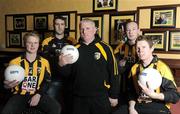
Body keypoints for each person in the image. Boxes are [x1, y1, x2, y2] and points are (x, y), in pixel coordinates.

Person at [58, 18, 119, 114]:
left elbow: (114, 72)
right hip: (78, 98)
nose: (84, 31)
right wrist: (61, 65)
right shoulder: (73, 49)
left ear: (95, 30)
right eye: (82, 29)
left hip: (101, 97)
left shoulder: (106, 48)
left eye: (88, 28)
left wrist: (114, 95)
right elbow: (67, 75)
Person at [113, 35, 180, 114]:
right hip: (138, 104)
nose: (140, 51)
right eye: (138, 48)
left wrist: (154, 95)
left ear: (152, 49)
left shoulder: (162, 68)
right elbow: (131, 92)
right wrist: (131, 108)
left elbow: (175, 96)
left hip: (158, 106)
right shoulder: (134, 68)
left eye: (144, 47)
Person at [1, 32, 61, 114]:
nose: (32, 45)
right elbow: (6, 83)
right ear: (25, 44)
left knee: (56, 108)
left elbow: (47, 81)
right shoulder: (14, 63)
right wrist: (6, 86)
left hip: (37, 94)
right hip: (19, 95)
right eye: (29, 42)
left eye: (35, 43)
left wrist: (38, 95)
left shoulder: (44, 62)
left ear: (38, 44)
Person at [41, 15, 77, 114]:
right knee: (53, 107)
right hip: (54, 79)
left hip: (70, 80)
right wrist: (58, 61)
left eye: (62, 24)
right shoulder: (47, 41)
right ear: (53, 26)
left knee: (71, 107)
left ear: (65, 26)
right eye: (57, 24)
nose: (59, 27)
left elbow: (76, 60)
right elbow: (45, 61)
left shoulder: (72, 41)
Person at [113, 21, 140, 105]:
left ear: (138, 30)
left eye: (133, 29)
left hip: (139, 88)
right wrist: (119, 65)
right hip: (123, 87)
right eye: (128, 30)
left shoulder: (144, 46)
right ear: (125, 32)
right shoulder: (120, 48)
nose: (131, 32)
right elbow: (114, 69)